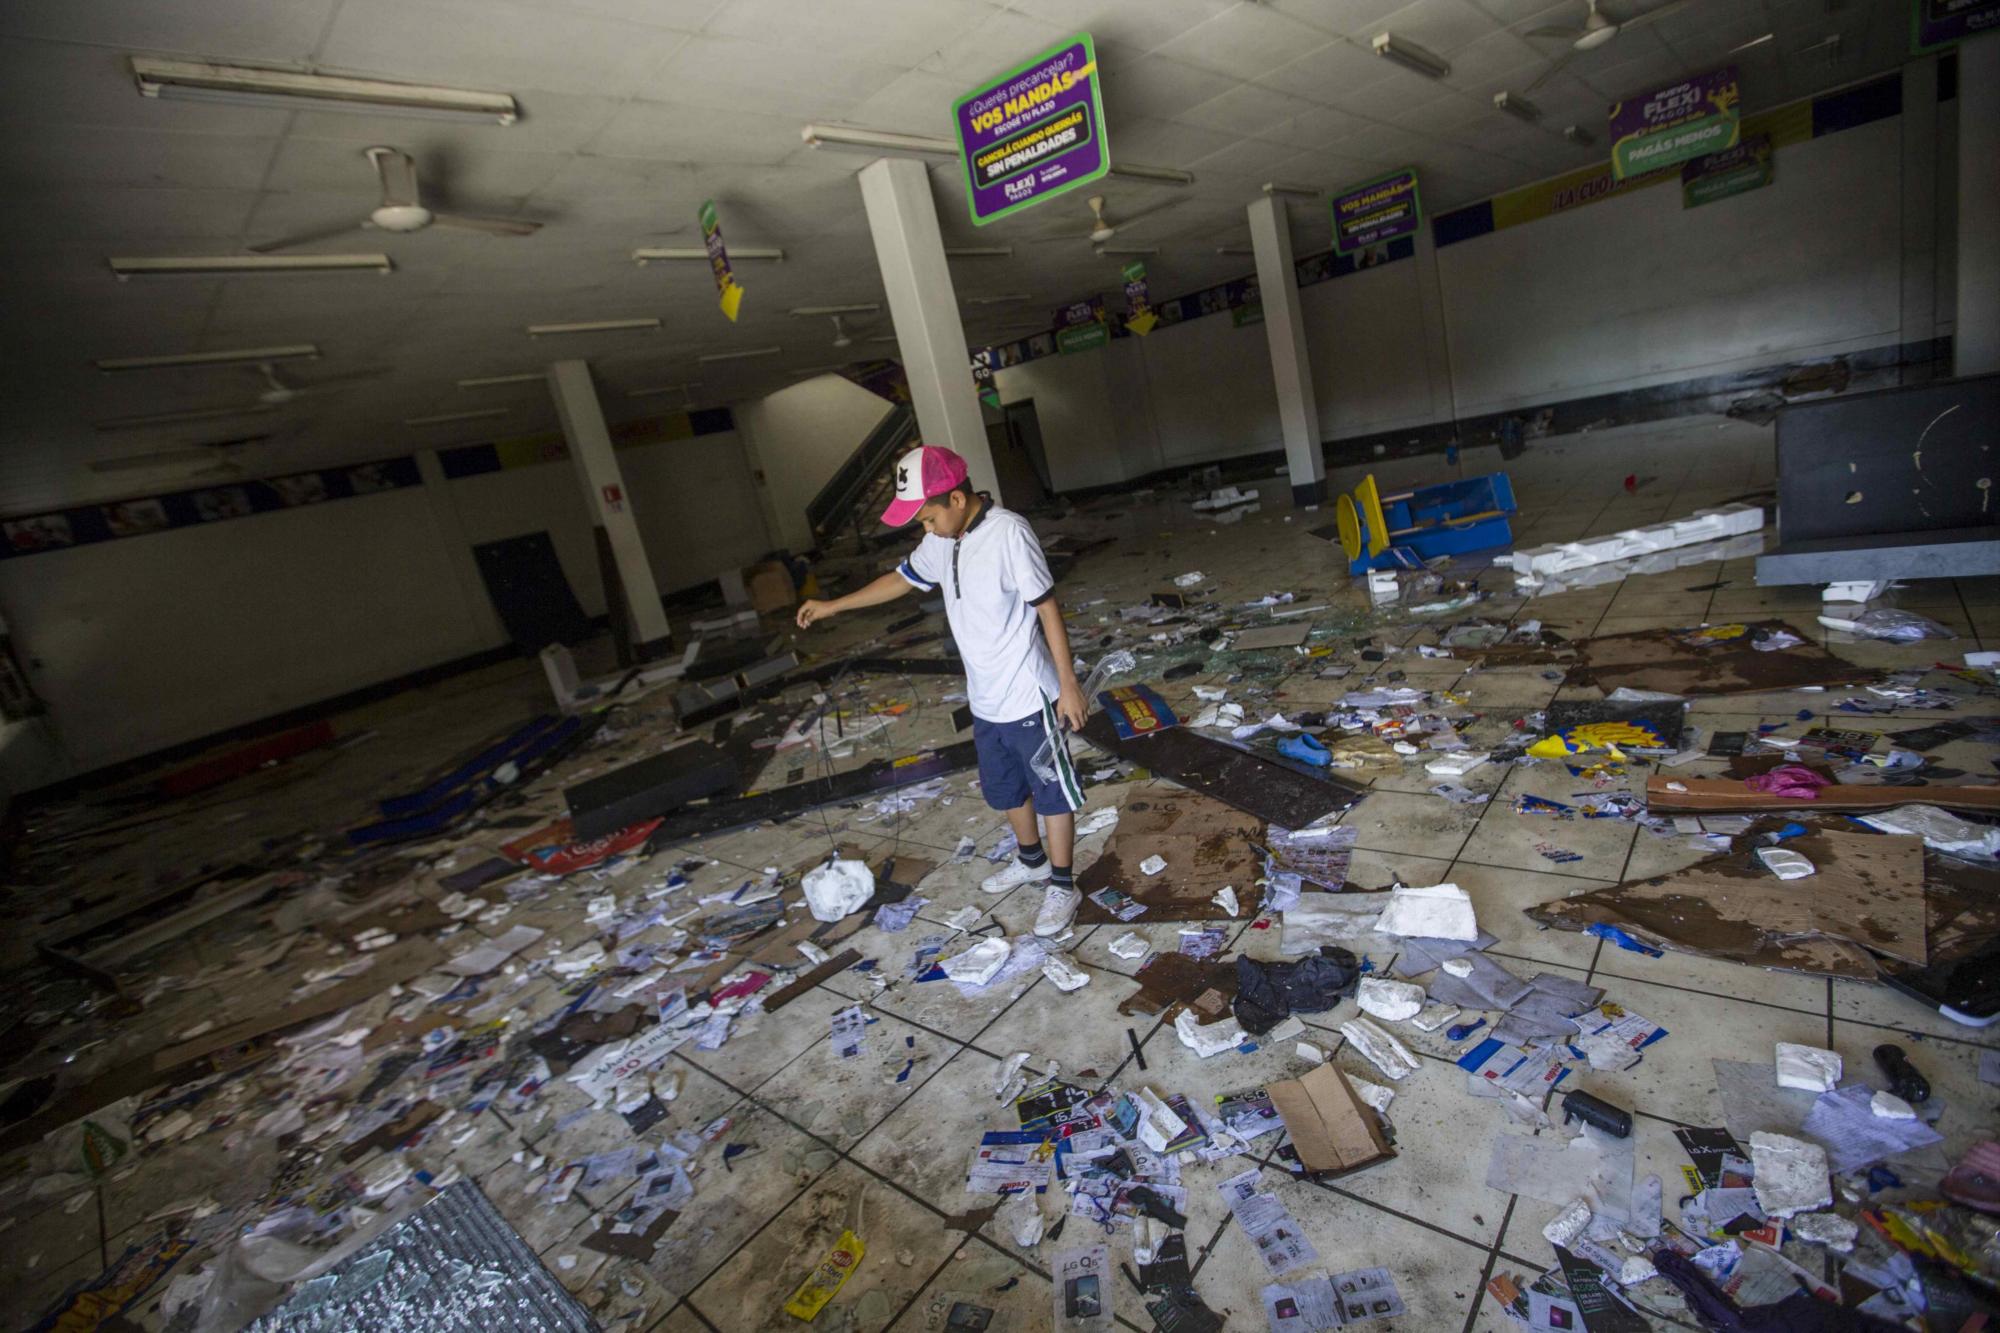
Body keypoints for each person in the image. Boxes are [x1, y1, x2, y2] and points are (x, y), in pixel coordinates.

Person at [796, 445, 1088, 937]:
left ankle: (1063, 885)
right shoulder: (942, 540)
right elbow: (901, 579)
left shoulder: (1008, 534)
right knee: (1006, 788)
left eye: (928, 517)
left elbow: (1047, 608)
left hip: (1029, 693)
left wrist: (1068, 684)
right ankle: (1032, 861)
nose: (924, 529)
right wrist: (834, 606)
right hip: (986, 697)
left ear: (956, 498)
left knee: (1052, 793)